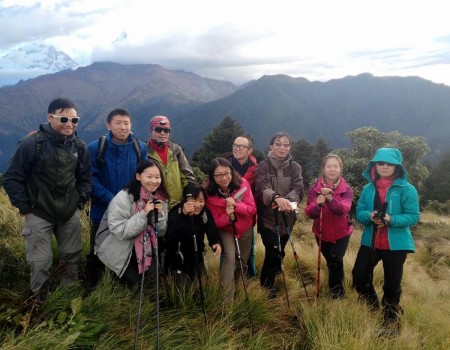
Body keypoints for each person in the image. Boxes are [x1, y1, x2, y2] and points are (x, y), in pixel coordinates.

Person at [3, 98, 91, 300]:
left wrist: (79, 202)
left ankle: (67, 299)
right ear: (50, 117)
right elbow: (11, 177)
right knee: (40, 261)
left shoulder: (79, 146)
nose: (70, 124)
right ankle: (39, 303)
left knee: (71, 257)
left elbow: (85, 177)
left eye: (74, 120)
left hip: (69, 212)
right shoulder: (32, 143)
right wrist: (25, 207)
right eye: (64, 118)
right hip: (38, 211)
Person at [352, 148, 419, 332]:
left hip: (396, 245)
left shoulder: (407, 189)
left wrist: (391, 219)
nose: (385, 166)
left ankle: (390, 320)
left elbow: (413, 216)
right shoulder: (368, 189)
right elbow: (359, 213)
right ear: (374, 165)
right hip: (370, 242)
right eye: (380, 162)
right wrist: (370, 215)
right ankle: (373, 307)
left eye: (389, 163)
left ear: (397, 166)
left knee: (391, 286)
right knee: (359, 277)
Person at [85, 108, 147, 289]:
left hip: (130, 212)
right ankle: (93, 288)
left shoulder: (139, 148)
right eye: (118, 123)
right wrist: (112, 200)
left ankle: (121, 288)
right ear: (108, 125)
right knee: (98, 248)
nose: (123, 127)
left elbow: (144, 177)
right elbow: (91, 179)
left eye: (126, 123)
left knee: (127, 250)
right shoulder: (96, 148)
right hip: (102, 211)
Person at [94, 159, 168, 288]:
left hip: (146, 248)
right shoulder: (123, 198)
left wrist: (160, 215)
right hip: (119, 248)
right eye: (149, 176)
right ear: (138, 176)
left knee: (154, 285)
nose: (154, 181)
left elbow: (160, 232)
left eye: (157, 177)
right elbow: (120, 231)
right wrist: (144, 214)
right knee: (135, 286)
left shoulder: (159, 199)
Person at [255, 132, 304, 298]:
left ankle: (277, 269)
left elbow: (299, 189)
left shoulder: (295, 167)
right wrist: (276, 198)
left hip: (288, 217)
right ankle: (267, 290)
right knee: (272, 250)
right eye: (278, 144)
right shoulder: (263, 166)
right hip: (268, 218)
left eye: (286, 144)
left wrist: (286, 201)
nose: (282, 147)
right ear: (271, 146)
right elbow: (261, 187)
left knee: (280, 250)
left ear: (289, 147)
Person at [205, 157, 256, 302]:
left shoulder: (243, 184)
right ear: (212, 177)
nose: (224, 178)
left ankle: (238, 286)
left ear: (232, 172)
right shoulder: (209, 194)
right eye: (218, 175)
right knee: (229, 258)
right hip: (226, 229)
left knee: (243, 261)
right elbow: (214, 222)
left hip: (244, 228)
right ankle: (227, 301)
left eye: (227, 173)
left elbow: (252, 209)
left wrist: (236, 206)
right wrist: (227, 217)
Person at [305, 154, 353, 299]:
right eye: (329, 166)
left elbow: (342, 210)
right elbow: (309, 212)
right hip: (321, 232)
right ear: (323, 168)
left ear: (340, 169)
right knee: (331, 262)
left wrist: (330, 199)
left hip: (341, 233)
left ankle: (338, 294)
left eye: (335, 166)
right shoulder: (315, 188)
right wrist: (317, 205)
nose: (332, 169)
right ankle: (336, 289)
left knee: (336, 260)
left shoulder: (346, 189)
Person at [165, 181, 222, 281]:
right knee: (184, 290)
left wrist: (216, 243)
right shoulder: (176, 212)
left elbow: (212, 230)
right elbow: (171, 236)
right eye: (194, 200)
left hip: (197, 259)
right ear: (185, 199)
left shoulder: (205, 213)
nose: (198, 205)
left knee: (203, 285)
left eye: (201, 200)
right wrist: (184, 215)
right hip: (178, 260)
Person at [225, 136, 258, 277]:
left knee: (248, 249)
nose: (237, 148)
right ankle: (227, 279)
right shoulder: (223, 166)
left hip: (247, 214)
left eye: (241, 146)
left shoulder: (256, 169)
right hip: (226, 214)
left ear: (249, 150)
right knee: (228, 252)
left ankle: (249, 276)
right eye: (235, 145)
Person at [146, 115, 196, 210]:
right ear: (151, 130)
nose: (162, 133)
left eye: (166, 130)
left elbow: (187, 174)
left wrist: (190, 194)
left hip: (179, 204)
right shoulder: (145, 152)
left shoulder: (176, 149)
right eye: (158, 129)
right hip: (156, 206)